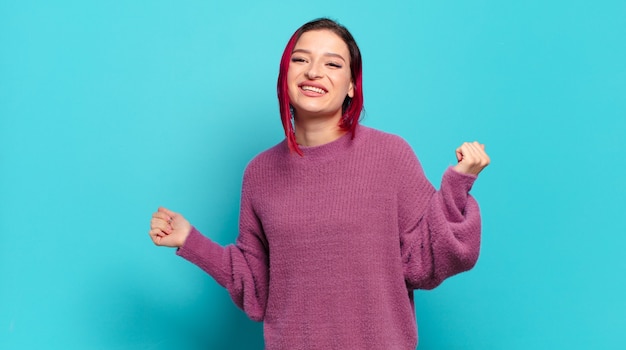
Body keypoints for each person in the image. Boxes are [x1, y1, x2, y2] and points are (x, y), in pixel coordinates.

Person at [149, 18, 490, 350]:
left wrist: (458, 184)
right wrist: (189, 241)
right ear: (286, 75)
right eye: (301, 59)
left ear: (352, 85)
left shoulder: (390, 155)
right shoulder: (259, 172)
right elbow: (257, 287)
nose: (313, 72)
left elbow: (428, 260)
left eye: (333, 64)